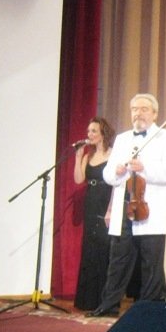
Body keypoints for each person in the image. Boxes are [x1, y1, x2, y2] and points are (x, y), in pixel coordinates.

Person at [87, 93, 166, 317]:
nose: (138, 113)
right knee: (118, 260)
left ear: (155, 114)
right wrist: (117, 171)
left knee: (151, 261)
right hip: (124, 206)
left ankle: (148, 310)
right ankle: (108, 306)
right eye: (134, 109)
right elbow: (108, 175)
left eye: (144, 109)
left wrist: (144, 167)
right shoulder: (122, 138)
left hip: (149, 207)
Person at [72, 117, 114, 311]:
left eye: (94, 131)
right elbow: (78, 179)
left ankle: (102, 299)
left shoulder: (113, 154)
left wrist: (110, 209)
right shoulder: (88, 156)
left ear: (103, 133)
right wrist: (78, 157)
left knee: (103, 248)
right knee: (89, 248)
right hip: (91, 202)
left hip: (105, 201)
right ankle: (86, 299)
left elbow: (116, 184)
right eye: (88, 131)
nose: (89, 134)